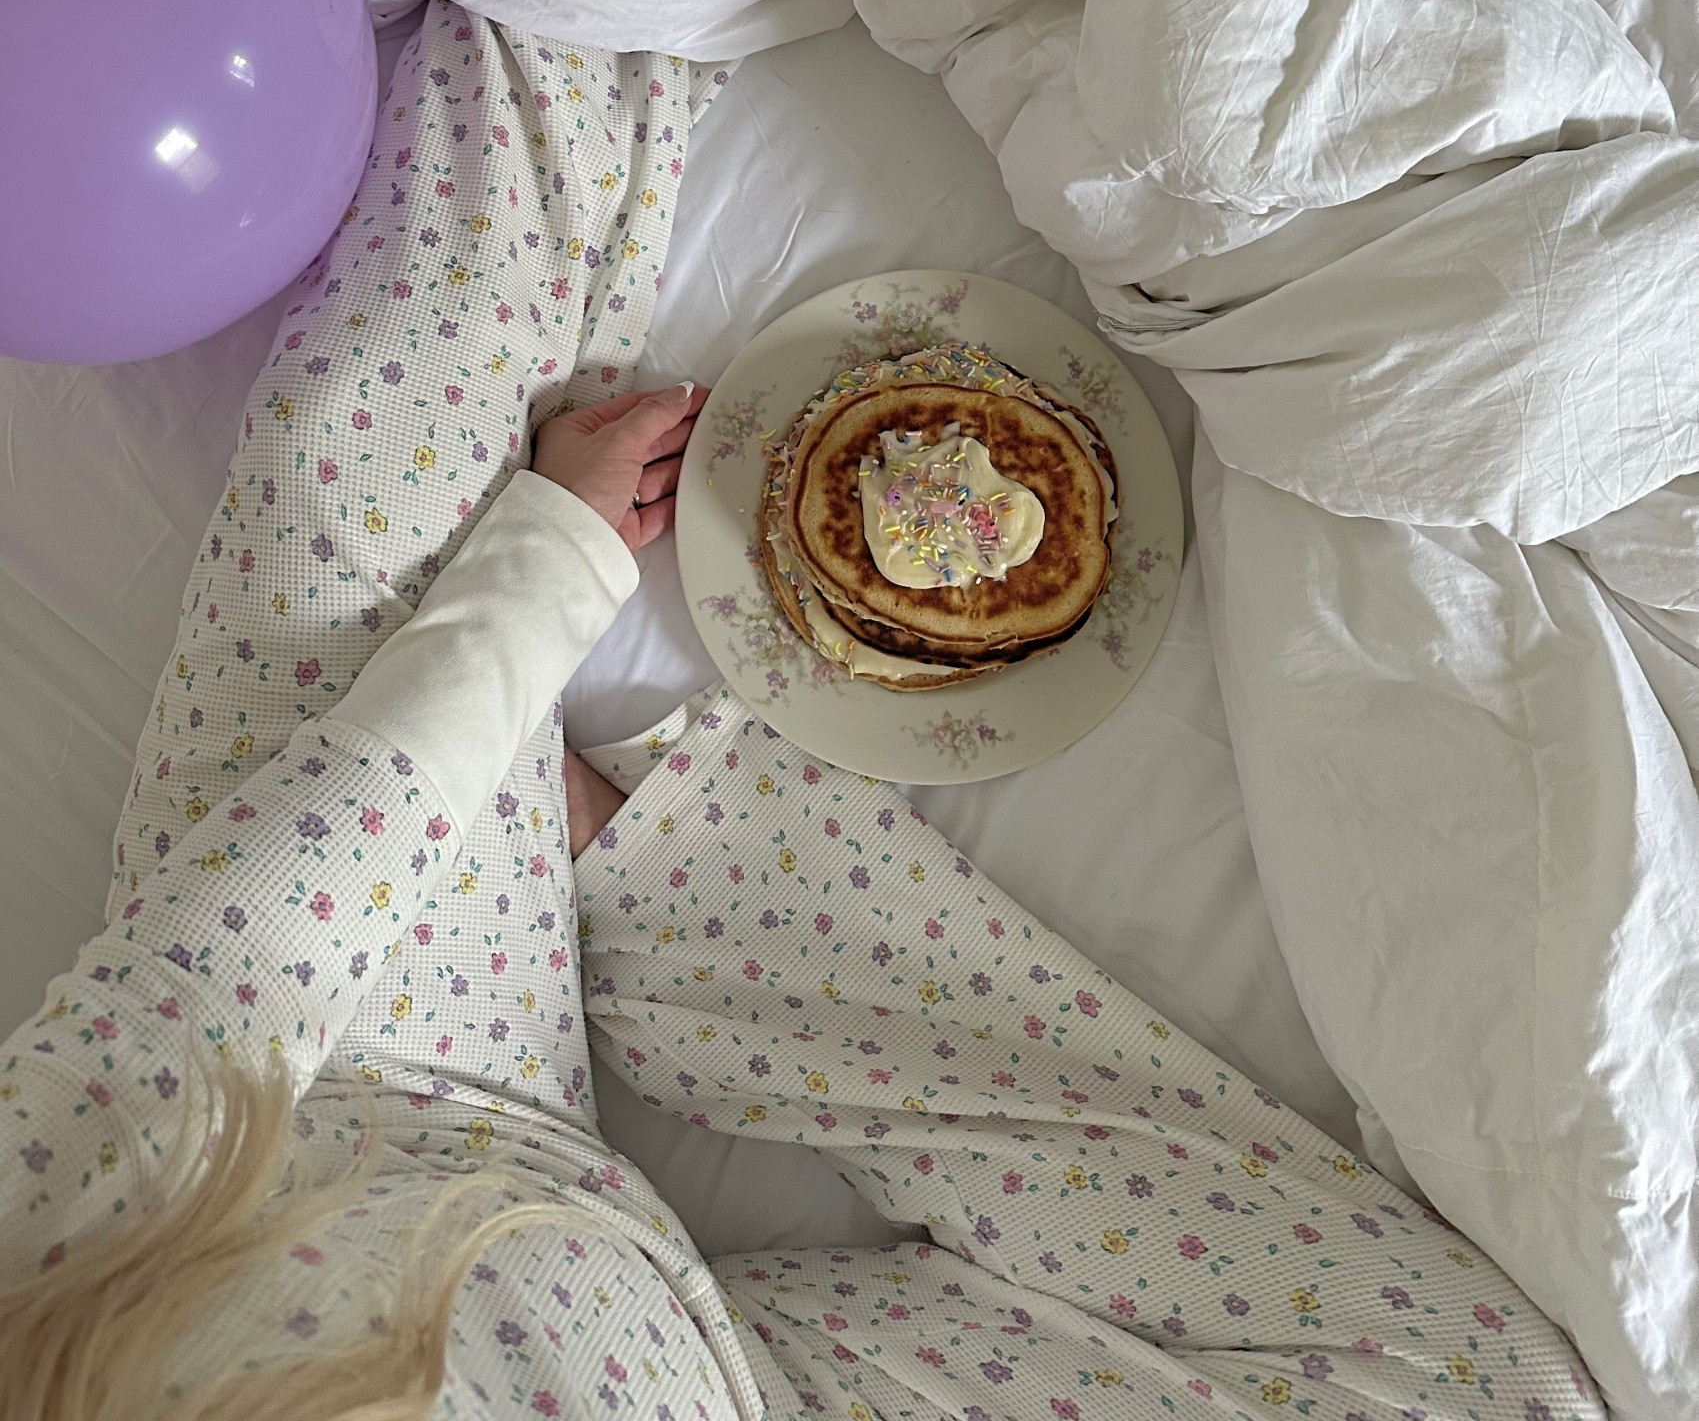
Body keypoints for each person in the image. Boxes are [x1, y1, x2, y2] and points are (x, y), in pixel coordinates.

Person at [0, 379, 1604, 1421]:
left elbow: (256, 929)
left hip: (382, 1092)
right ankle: (688, 889)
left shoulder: (67, 1216)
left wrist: (548, 567)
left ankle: (654, 868)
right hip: (737, 1380)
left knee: (374, 473)